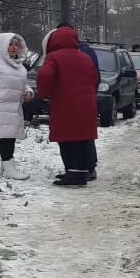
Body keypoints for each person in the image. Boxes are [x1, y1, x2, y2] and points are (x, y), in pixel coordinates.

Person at [35, 25, 99, 187]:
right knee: (83, 140)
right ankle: (83, 173)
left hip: (64, 105)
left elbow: (44, 75)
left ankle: (72, 173)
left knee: (67, 140)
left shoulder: (53, 57)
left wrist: (45, 94)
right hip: (87, 106)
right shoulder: (85, 57)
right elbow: (95, 78)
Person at [0, 32, 33, 180]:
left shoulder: (20, 67)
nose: (14, 47)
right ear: (2, 45)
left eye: (17, 44)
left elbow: (24, 85)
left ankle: (6, 166)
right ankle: (10, 169)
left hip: (15, 109)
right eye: (10, 44)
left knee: (9, 138)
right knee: (6, 137)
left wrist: (28, 92)